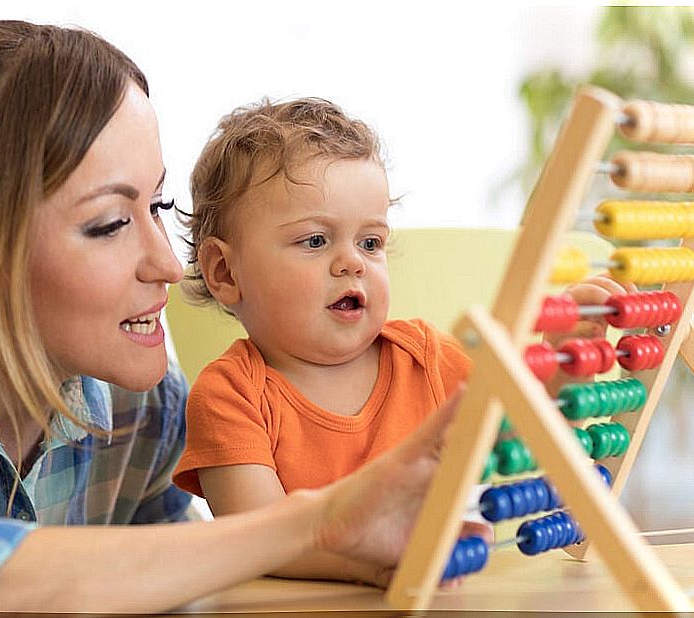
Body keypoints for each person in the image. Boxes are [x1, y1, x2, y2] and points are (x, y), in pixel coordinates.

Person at [0, 20, 475, 614]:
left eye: (158, 204)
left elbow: (184, 583)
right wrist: (319, 523)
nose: (170, 267)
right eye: (111, 223)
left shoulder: (142, 414)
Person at [172, 97, 631, 585]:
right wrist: (369, 563)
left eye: (370, 242)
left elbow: (526, 438)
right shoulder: (229, 396)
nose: (353, 263)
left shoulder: (426, 357)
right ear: (225, 271)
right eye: (315, 240)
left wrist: (561, 356)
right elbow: (255, 541)